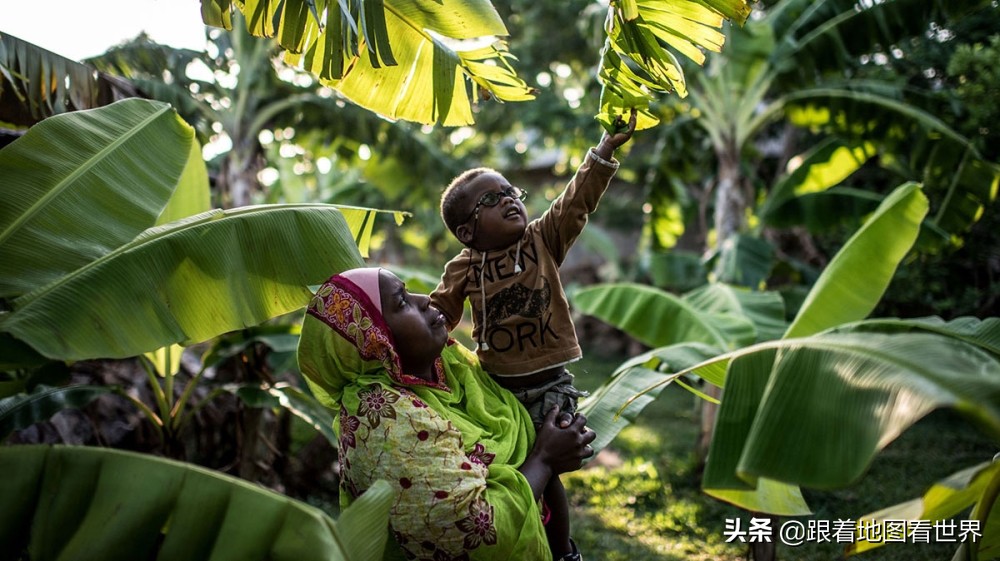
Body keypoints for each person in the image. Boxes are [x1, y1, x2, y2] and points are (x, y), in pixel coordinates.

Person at [429, 109, 637, 558]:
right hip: (497, 391)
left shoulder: (542, 239)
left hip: (548, 387)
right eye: (491, 199)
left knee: (552, 477)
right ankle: (522, 541)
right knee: (513, 471)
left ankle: (563, 551)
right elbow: (438, 314)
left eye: (510, 191)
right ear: (467, 231)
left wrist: (603, 151)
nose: (509, 199)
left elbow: (575, 201)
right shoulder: (463, 267)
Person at [297, 267, 597, 561]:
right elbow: (472, 534)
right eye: (402, 302)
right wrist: (544, 460)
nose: (424, 299)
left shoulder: (452, 369)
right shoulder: (381, 419)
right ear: (374, 340)